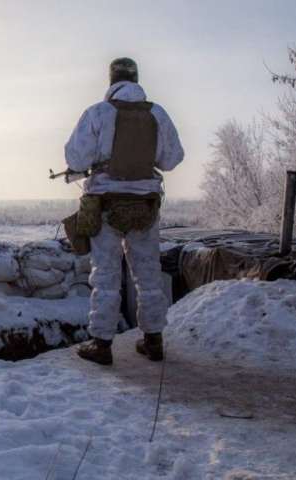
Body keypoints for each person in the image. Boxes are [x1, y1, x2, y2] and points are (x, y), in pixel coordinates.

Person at [64, 57, 184, 365]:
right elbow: (172, 158)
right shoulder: (157, 113)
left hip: (106, 203)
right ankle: (154, 340)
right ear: (136, 80)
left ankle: (102, 344)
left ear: (111, 81)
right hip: (146, 206)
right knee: (148, 273)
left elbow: (76, 158)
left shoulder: (98, 113)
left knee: (105, 275)